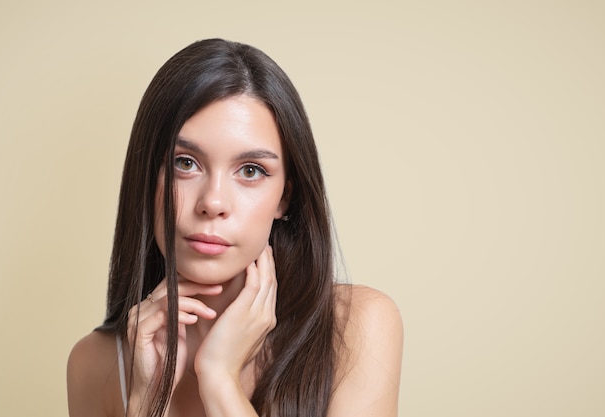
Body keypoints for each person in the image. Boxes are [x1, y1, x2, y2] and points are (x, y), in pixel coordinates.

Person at [67, 38, 403, 417]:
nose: (212, 202)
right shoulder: (95, 363)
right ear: (148, 177)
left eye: (250, 171)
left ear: (284, 199)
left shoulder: (357, 327)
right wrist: (147, 402)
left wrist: (219, 378)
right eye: (185, 163)